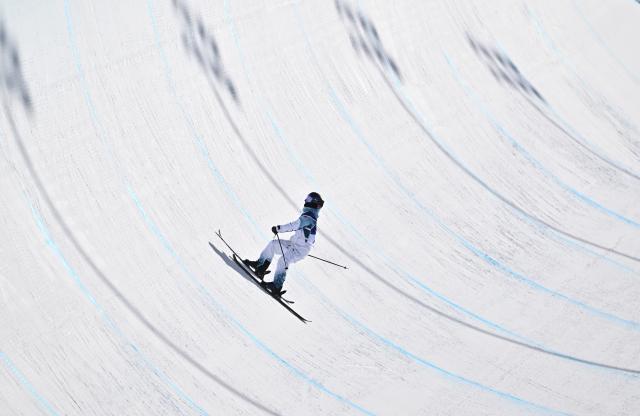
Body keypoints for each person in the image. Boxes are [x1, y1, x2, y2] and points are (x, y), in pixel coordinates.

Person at [244, 192, 324, 296]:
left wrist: (279, 229)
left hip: (299, 250)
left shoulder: (309, 218)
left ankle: (277, 286)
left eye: (308, 199)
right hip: (293, 245)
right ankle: (260, 267)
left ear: (313, 203)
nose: (305, 200)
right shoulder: (308, 216)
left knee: (283, 260)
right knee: (273, 245)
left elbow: (295, 225)